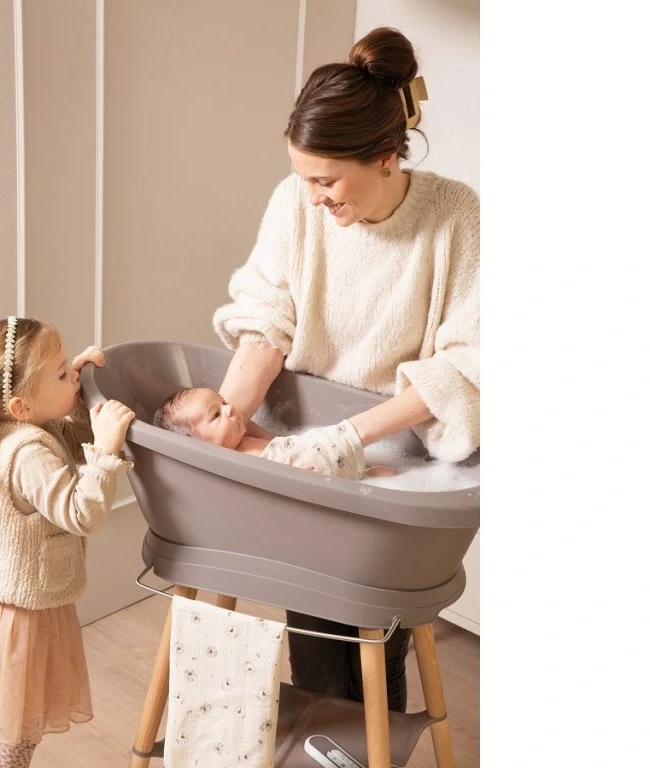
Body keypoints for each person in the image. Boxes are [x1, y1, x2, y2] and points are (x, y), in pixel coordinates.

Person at [212, 27, 479, 712]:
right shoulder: (292, 204)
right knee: (312, 622)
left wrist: (350, 437)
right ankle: (332, 743)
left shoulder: (455, 218)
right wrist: (226, 417)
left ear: (386, 157)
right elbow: (266, 318)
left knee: (369, 629)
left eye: (325, 181)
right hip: (302, 446)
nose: (311, 198)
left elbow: (468, 362)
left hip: (395, 457)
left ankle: (362, 742)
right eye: (303, 178)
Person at [0, 316, 136, 767]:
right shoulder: (28, 453)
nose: (74, 376)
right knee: (17, 734)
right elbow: (81, 512)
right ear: (22, 405)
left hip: (1, 605)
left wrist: (77, 395)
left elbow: (66, 439)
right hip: (26, 617)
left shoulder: (12, 428)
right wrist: (106, 452)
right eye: (63, 373)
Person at [152, 386, 398, 479]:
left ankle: (374, 476)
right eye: (216, 414)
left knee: (377, 474)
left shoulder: (244, 439)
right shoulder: (234, 464)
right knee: (373, 476)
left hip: (324, 464)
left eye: (223, 402)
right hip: (321, 470)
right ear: (199, 446)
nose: (230, 408)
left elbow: (278, 442)